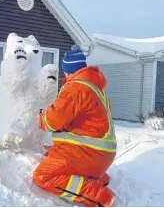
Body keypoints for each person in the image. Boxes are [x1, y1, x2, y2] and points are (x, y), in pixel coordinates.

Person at [33, 44, 117, 207]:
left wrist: (41, 116)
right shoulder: (95, 87)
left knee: (43, 176)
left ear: (68, 69)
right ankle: (96, 176)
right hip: (100, 155)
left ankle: (100, 195)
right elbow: (83, 126)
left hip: (89, 155)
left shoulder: (76, 88)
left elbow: (52, 122)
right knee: (51, 153)